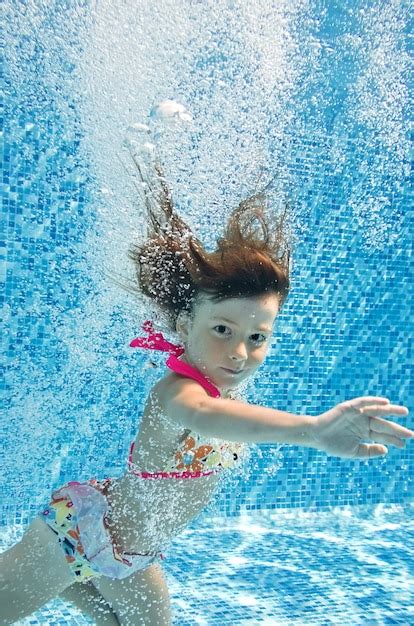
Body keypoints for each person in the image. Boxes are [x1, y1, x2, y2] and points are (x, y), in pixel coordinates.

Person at [1, 158, 412, 626]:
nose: (239, 351)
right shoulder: (176, 395)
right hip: (78, 534)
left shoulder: (226, 394)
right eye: (222, 329)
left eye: (257, 337)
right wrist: (313, 429)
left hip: (132, 555)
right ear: (184, 324)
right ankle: (72, 579)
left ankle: (79, 586)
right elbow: (205, 418)